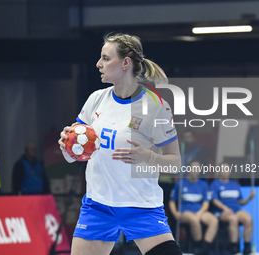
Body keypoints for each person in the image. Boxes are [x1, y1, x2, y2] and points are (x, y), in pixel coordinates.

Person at [58, 33, 182, 255]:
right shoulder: (96, 99)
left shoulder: (155, 106)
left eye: (105, 58)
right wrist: (66, 147)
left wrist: (149, 157)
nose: (98, 64)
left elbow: (175, 164)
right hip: (98, 206)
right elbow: (74, 155)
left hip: (140, 206)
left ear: (126, 63)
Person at [169, 160, 218, 255]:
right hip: (185, 212)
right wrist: (175, 214)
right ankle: (197, 246)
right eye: (193, 168)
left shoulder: (203, 184)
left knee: (214, 221)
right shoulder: (180, 183)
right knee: (194, 220)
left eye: (197, 168)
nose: (195, 170)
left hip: (200, 211)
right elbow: (172, 201)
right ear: (188, 169)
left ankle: (205, 248)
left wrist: (200, 213)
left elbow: (206, 202)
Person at [210, 162, 255, 255]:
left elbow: (240, 201)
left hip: (236, 210)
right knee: (233, 219)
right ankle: (234, 247)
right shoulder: (215, 184)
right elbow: (214, 200)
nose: (225, 171)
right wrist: (225, 208)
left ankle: (247, 247)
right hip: (221, 212)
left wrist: (249, 198)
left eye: (227, 169)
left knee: (248, 219)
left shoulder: (235, 184)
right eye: (223, 169)